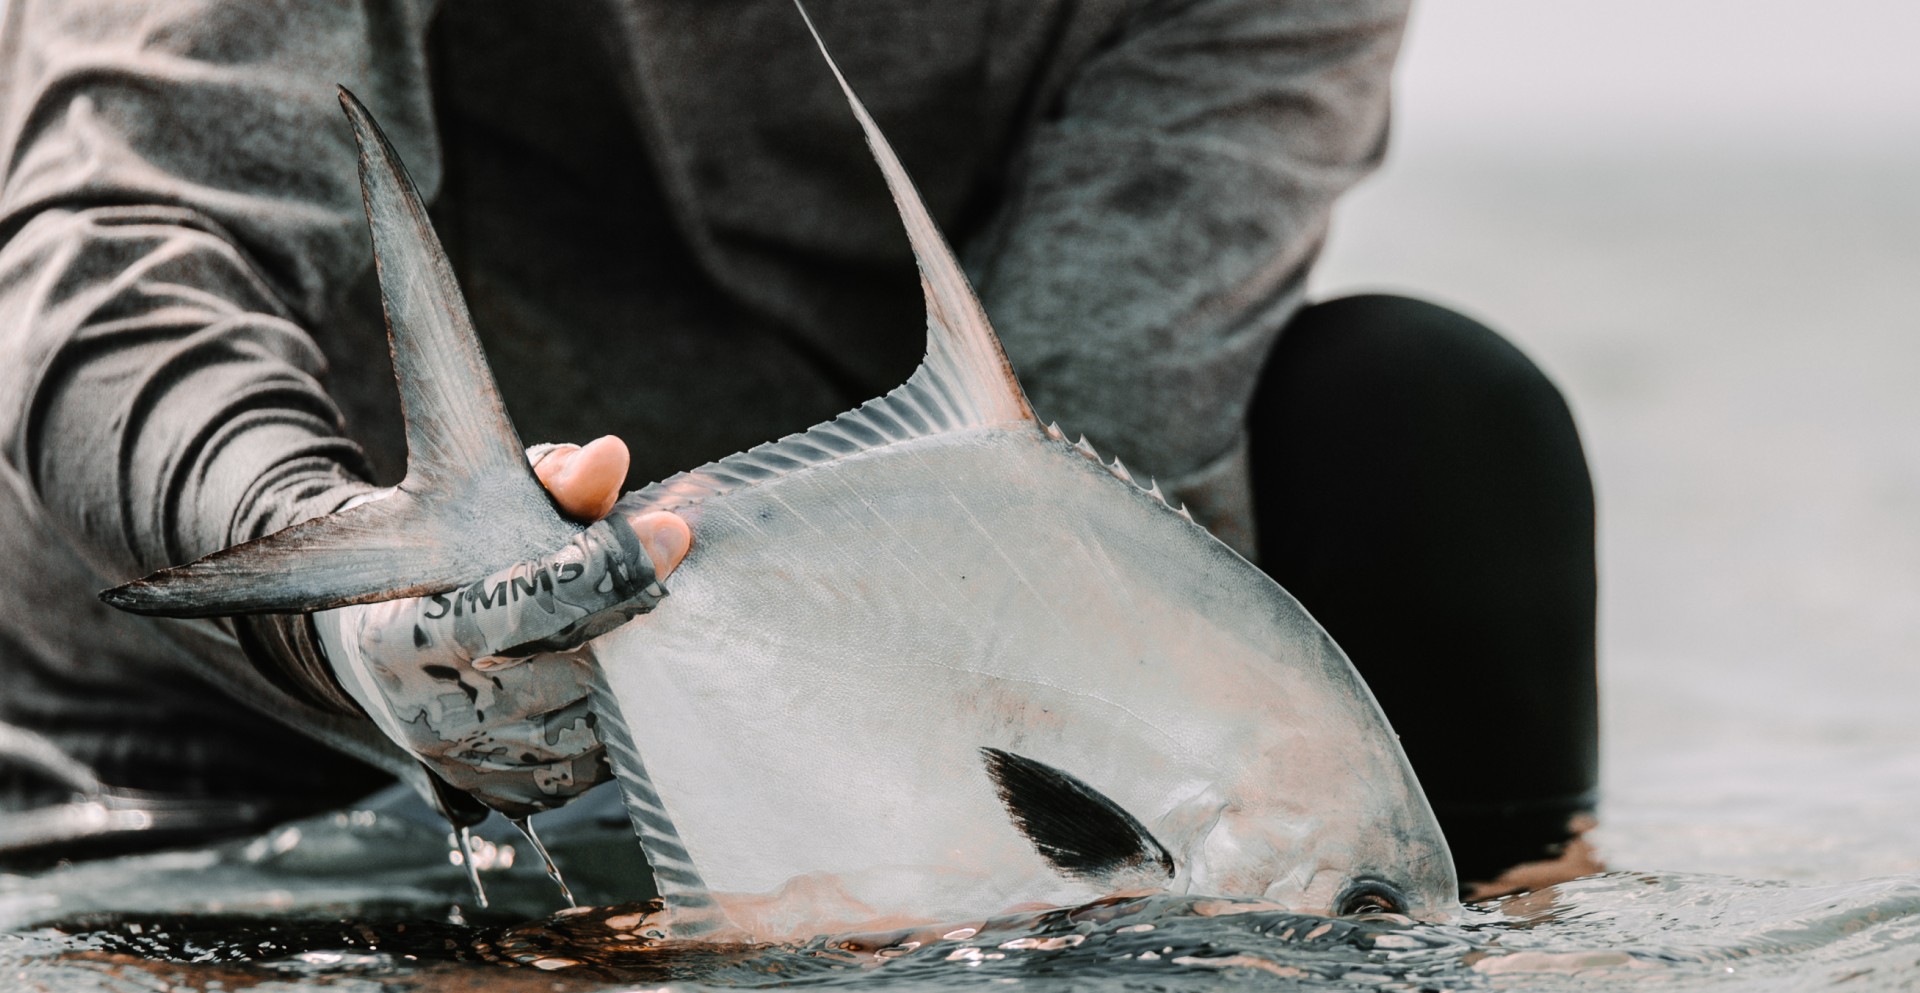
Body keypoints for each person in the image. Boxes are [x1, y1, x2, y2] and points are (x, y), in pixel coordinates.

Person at [0, 0, 1595, 894]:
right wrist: (333, 607)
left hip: (836, 747)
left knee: (1426, 422)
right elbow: (134, 232)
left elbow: (1083, 463)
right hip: (213, 740)